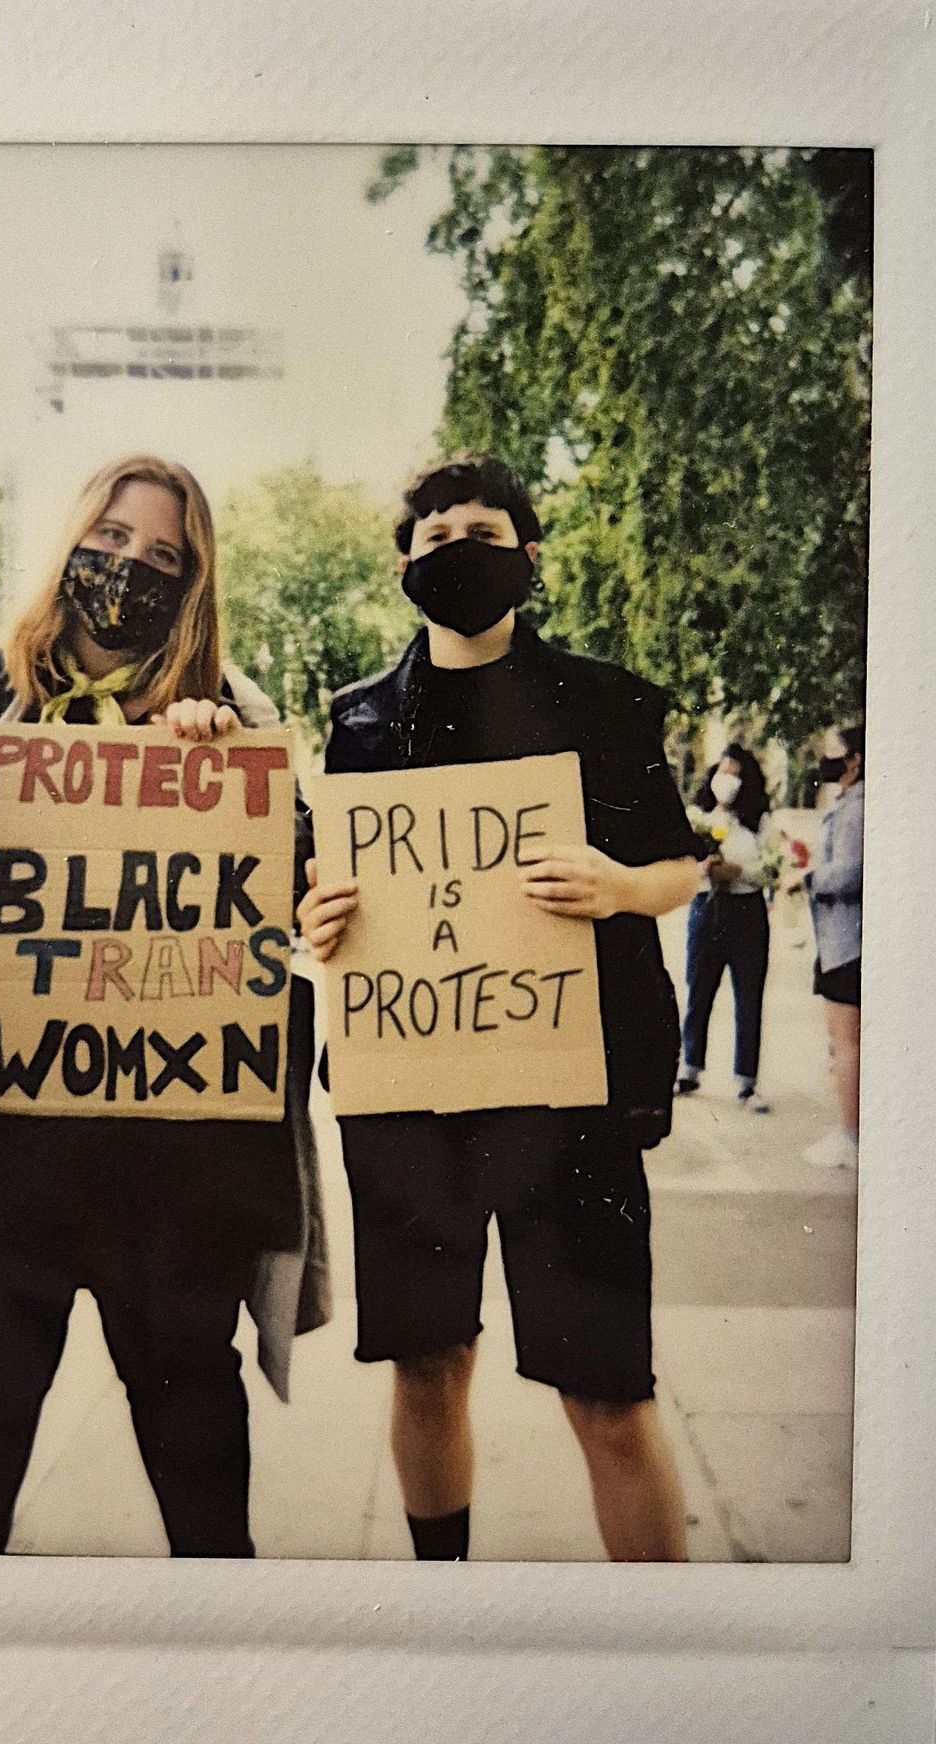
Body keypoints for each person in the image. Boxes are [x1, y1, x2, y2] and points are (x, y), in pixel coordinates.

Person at [0, 454, 329, 1556]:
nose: (127, 569)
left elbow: (288, 912)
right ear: (69, 544)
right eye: (109, 542)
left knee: (195, 1415)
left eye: (161, 556)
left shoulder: (236, 707)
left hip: (175, 1163)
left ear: (193, 581)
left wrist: (224, 781)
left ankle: (230, 1668)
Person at [298, 454, 699, 1563]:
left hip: (577, 1098)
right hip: (415, 1102)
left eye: (484, 532)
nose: (460, 552)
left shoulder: (605, 703)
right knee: (429, 1368)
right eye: (435, 539)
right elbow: (330, 895)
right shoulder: (361, 722)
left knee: (609, 1397)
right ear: (402, 566)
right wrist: (320, 916)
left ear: (531, 555)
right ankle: (443, 1605)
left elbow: (681, 865)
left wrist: (620, 888)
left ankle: (668, 1645)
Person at [675, 744, 777, 1114]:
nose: (727, 780)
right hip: (707, 911)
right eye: (723, 771)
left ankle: (747, 1081)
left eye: (735, 774)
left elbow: (771, 868)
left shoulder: (759, 823)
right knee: (698, 990)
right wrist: (703, 869)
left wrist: (740, 872)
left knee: (748, 997)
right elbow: (681, 864)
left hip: (747, 913)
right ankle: (690, 1068)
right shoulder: (698, 818)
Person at [803, 725, 864, 1169]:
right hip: (843, 939)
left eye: (834, 753)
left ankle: (850, 1136)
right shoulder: (851, 805)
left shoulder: (856, 810)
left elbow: (848, 874)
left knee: (845, 1043)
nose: (825, 760)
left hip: (846, 942)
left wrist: (807, 877)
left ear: (854, 761)